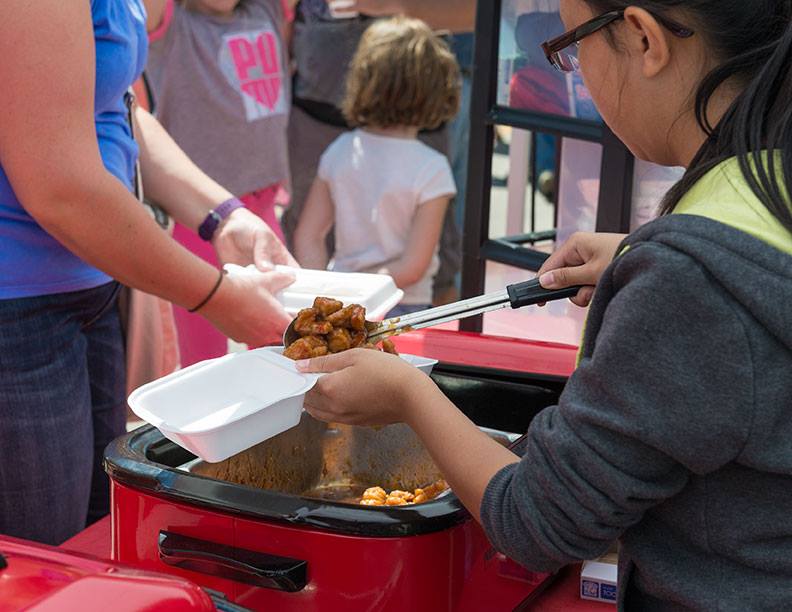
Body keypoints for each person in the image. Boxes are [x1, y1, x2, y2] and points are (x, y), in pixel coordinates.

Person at [296, 0, 792, 608]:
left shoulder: (690, 275)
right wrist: (646, 254)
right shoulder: (758, 201)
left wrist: (406, 394)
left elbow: (538, 519)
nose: (574, 68)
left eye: (570, 46)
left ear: (642, 38)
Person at [0, 0, 297, 545]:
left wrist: (222, 216)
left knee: (91, 541)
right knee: (39, 562)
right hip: (16, 314)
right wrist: (218, 297)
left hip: (83, 293)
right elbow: (59, 189)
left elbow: (116, 102)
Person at [142, 0, 297, 366]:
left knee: (281, 342)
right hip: (194, 218)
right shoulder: (174, 21)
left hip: (260, 211)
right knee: (203, 360)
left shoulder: (268, 9)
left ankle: (276, 421)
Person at [284, 1, 462, 306]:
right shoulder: (433, 169)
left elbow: (308, 237)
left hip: (341, 300)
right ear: (438, 87)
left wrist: (330, 292)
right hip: (403, 306)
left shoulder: (339, 151)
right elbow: (413, 267)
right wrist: (358, 291)